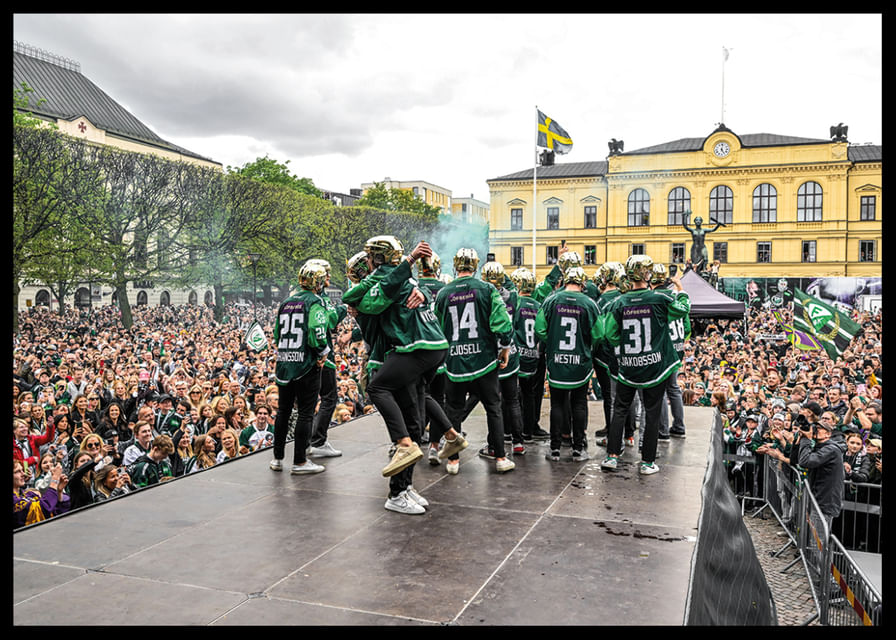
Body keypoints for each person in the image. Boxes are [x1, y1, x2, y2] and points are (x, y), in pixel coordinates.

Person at [345, 237, 466, 513]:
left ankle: (405, 487)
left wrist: (424, 291)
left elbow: (410, 289)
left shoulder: (385, 285)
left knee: (413, 427)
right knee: (406, 431)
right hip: (388, 359)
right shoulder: (370, 293)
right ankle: (396, 492)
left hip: (403, 356)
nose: (370, 270)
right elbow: (372, 312)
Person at [595, 254, 691, 475]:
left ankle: (611, 456)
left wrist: (627, 346)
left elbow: (610, 333)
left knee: (619, 409)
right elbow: (682, 309)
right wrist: (682, 290)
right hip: (655, 366)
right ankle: (647, 462)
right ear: (648, 274)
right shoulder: (659, 298)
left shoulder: (618, 302)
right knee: (652, 412)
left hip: (628, 366)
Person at [434, 247, 515, 476]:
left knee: (454, 411)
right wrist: (505, 347)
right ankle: (500, 457)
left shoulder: (442, 294)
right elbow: (503, 323)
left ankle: (453, 461)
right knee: (493, 408)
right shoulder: (487, 289)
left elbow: (437, 329)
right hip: (485, 362)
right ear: (476, 266)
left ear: (455, 265)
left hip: (454, 363)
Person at [269, 260, 330, 476]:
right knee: (305, 413)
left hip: (285, 364)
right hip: (306, 365)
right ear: (318, 282)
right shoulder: (315, 302)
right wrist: (323, 352)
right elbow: (316, 330)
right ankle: (300, 461)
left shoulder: (286, 302)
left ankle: (277, 459)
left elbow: (277, 334)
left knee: (283, 411)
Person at [306, 259, 346, 460]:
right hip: (322, 358)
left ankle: (306, 442)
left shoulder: (298, 297)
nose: (329, 278)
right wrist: (344, 309)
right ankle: (318, 441)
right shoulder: (319, 299)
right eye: (326, 274)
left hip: (304, 358)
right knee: (329, 398)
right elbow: (330, 321)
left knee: (309, 401)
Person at [649, 263, 688, 440]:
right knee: (674, 389)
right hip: (677, 348)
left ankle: (662, 430)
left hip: (665, 351)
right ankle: (679, 426)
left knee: (662, 391)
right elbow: (687, 327)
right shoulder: (677, 298)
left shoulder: (655, 298)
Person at [794, 415, 847, 532]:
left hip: (824, 502)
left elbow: (805, 462)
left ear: (828, 434)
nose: (816, 430)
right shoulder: (819, 447)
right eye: (815, 427)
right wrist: (800, 440)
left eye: (820, 428)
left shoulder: (831, 449)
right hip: (816, 498)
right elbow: (794, 461)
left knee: (818, 542)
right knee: (812, 539)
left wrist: (807, 441)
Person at [13, 459, 69, 528]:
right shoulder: (14, 500)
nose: (23, 474)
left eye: (22, 470)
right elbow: (42, 510)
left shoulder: (29, 494)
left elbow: (55, 512)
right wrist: (54, 480)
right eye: (18, 471)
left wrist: (59, 492)